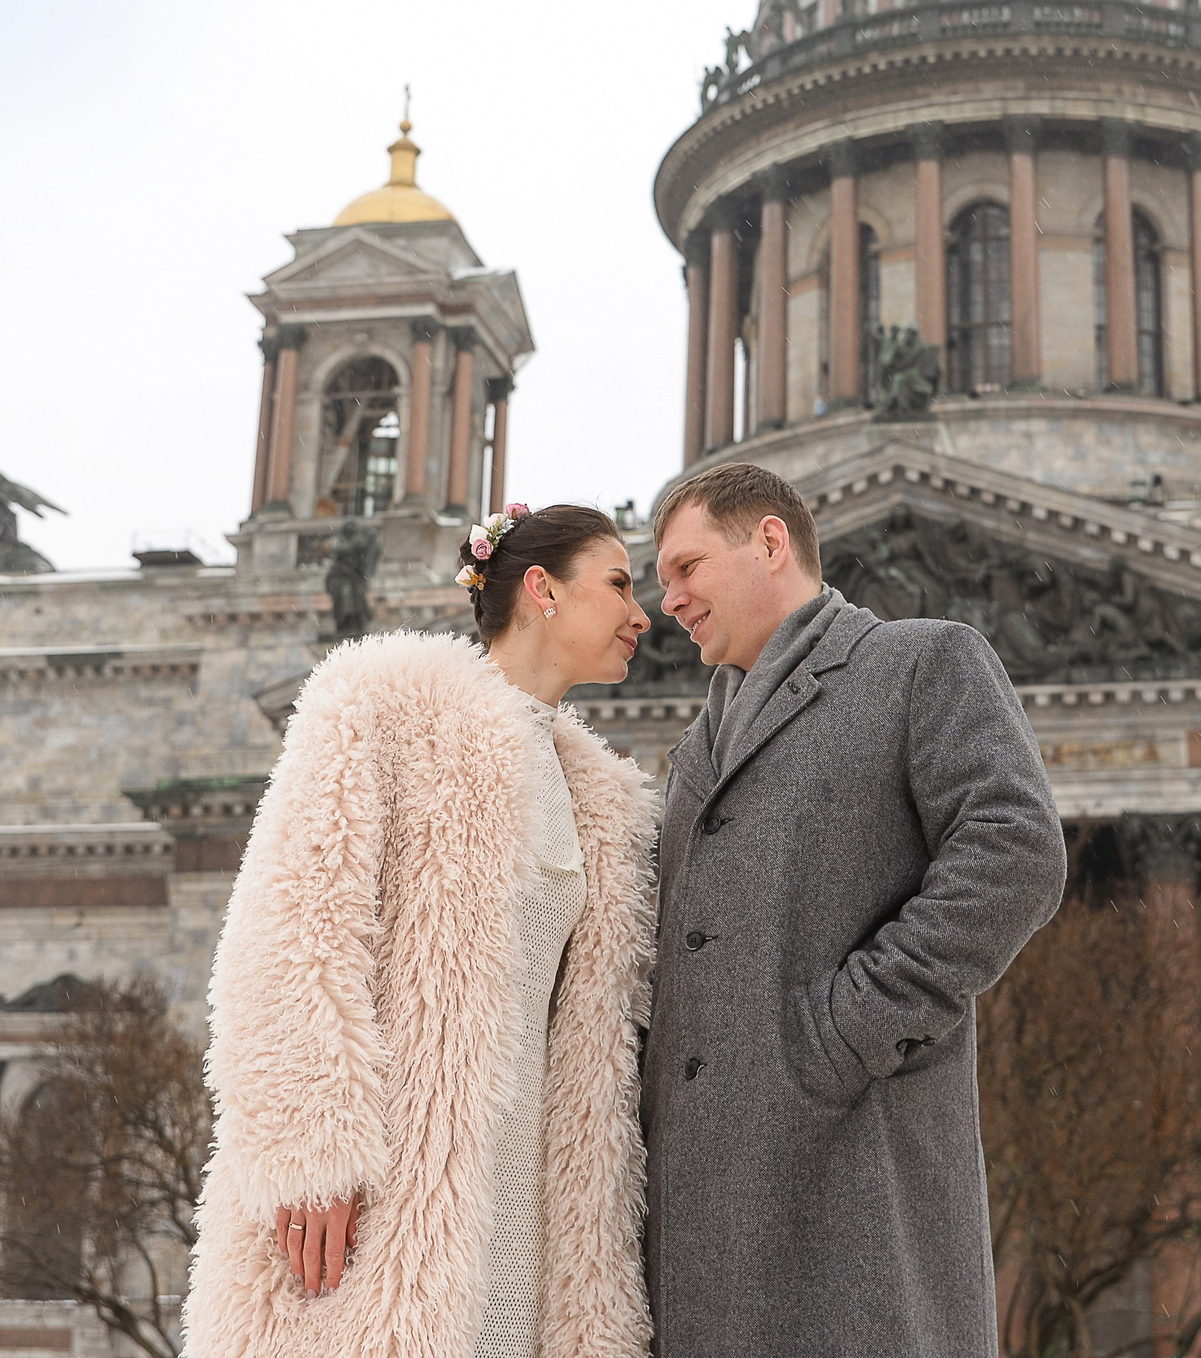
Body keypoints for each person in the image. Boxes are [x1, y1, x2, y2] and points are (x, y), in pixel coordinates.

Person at [184, 503, 659, 1358]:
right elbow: (294, 925)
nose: (642, 613)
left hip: (523, 1202)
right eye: (621, 584)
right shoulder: (381, 706)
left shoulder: (607, 802)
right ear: (542, 589)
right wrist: (311, 1149)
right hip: (382, 1200)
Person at [642, 462, 1067, 1358]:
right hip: (701, 1235)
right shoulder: (696, 745)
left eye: (685, 567)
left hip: (854, 1198)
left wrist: (844, 1032)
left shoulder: (920, 661)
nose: (665, 597)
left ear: (769, 540)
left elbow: (1016, 848)